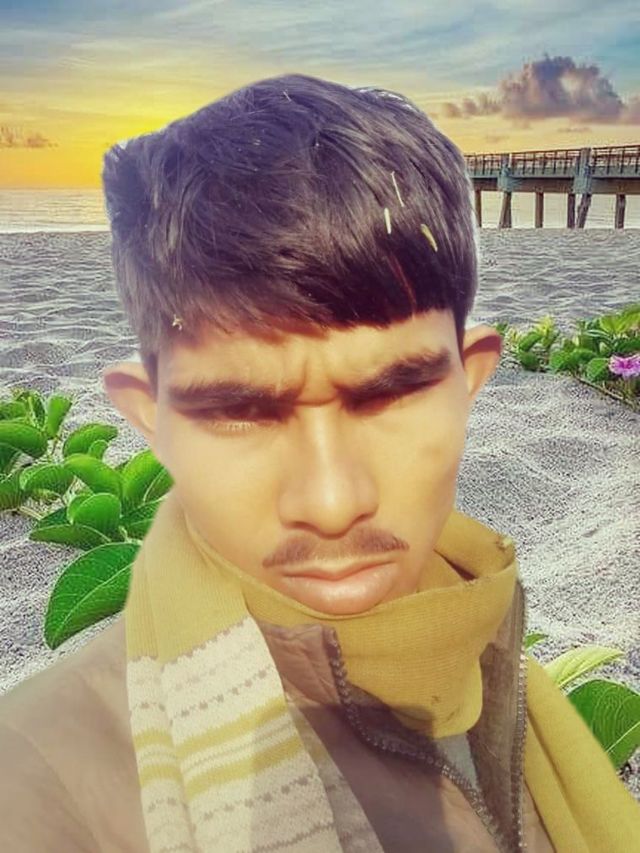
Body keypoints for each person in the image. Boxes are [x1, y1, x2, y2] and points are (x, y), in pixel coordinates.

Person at [1, 73, 638, 853]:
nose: (333, 502)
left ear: (469, 381)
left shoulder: (492, 658)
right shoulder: (34, 785)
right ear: (150, 419)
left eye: (391, 393)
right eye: (239, 411)